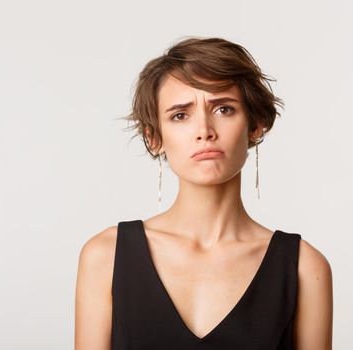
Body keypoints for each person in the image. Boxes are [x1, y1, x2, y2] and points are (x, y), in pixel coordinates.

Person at [75, 36, 333, 350]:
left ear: (255, 125)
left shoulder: (304, 267)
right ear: (154, 137)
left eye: (224, 109)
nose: (204, 131)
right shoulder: (105, 256)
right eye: (180, 115)